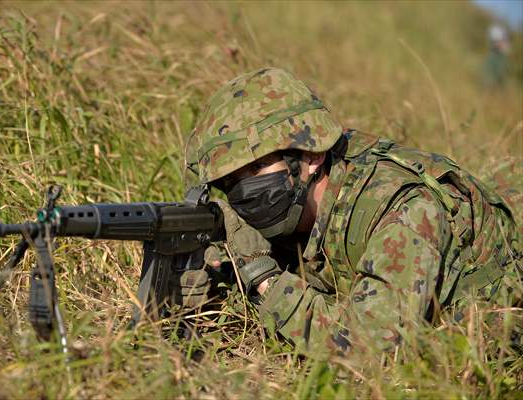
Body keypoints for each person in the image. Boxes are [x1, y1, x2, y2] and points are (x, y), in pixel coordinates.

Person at [181, 67, 521, 358]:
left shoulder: (403, 209)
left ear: (310, 157)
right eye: (230, 180)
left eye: (256, 167)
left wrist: (262, 277)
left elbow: (371, 349)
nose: (243, 192)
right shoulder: (294, 207)